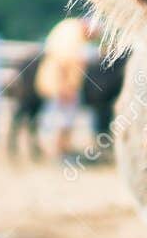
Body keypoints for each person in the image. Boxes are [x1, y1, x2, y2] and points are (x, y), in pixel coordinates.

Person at [34, 15, 100, 163]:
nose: (92, 39)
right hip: (60, 85)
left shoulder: (69, 30)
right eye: (93, 35)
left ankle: (62, 152)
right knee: (61, 119)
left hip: (60, 84)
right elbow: (64, 59)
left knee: (63, 119)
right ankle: (58, 154)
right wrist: (65, 87)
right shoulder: (71, 32)